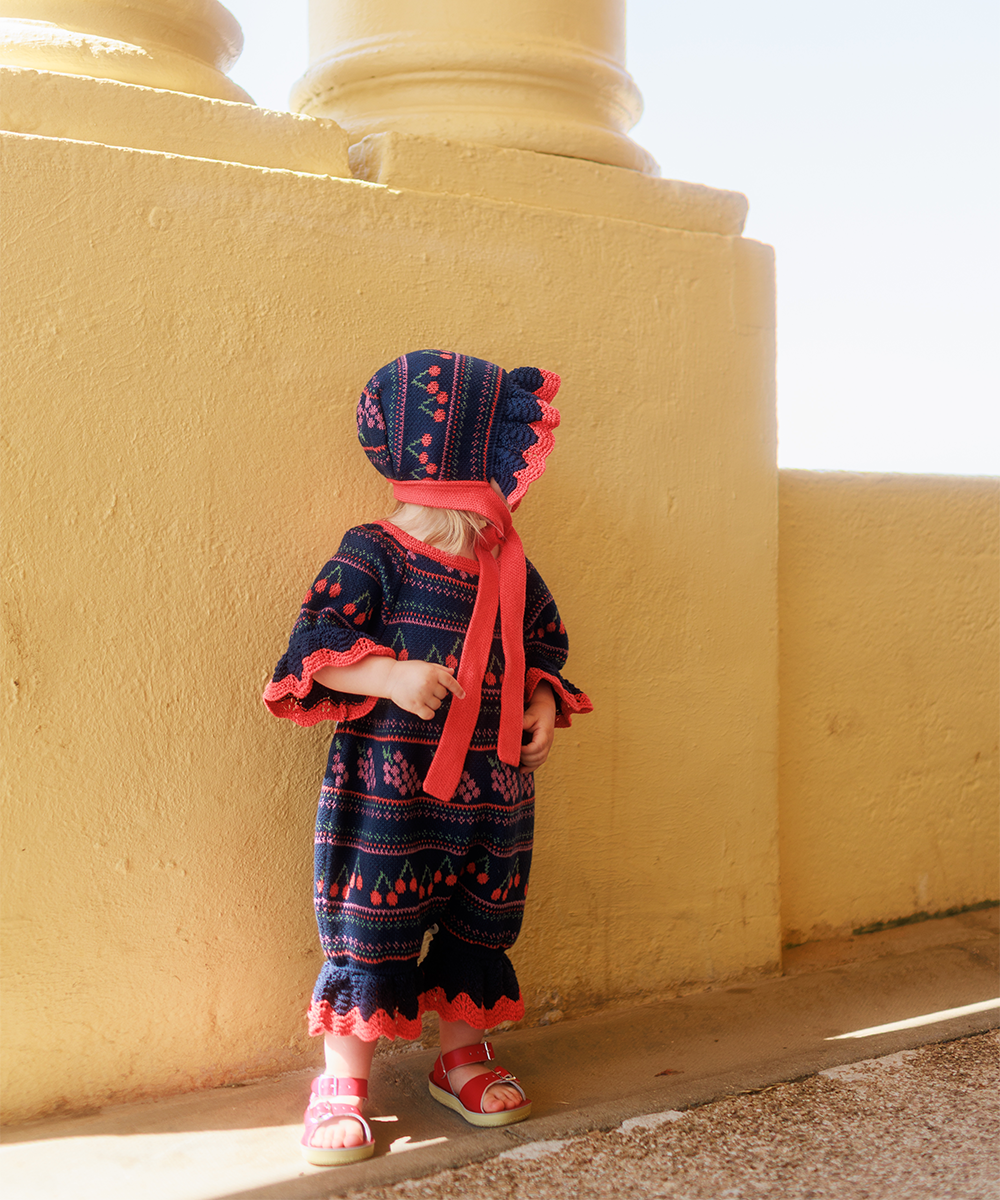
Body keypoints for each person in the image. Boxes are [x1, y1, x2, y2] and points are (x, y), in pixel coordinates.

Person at [263, 349, 592, 1167]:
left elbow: (542, 645)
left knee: (481, 918)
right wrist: (388, 674)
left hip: (494, 789)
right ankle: (343, 1080)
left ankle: (461, 1058)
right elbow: (314, 646)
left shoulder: (507, 563)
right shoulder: (376, 552)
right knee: (372, 925)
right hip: (390, 791)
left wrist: (541, 703)